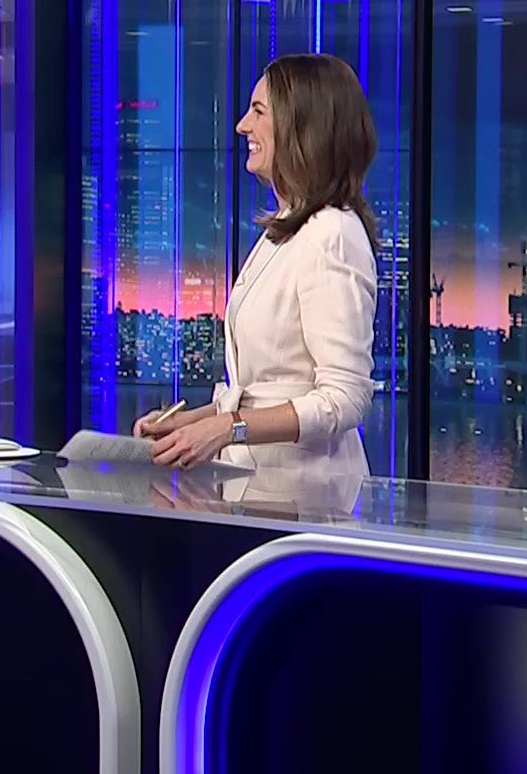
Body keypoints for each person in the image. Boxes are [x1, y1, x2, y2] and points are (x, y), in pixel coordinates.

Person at [137, 52, 379, 479]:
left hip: (307, 491)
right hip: (259, 485)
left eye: (259, 111)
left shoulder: (333, 234)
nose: (242, 125)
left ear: (302, 126)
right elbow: (263, 392)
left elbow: (344, 398)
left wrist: (226, 429)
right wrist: (190, 424)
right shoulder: (285, 231)